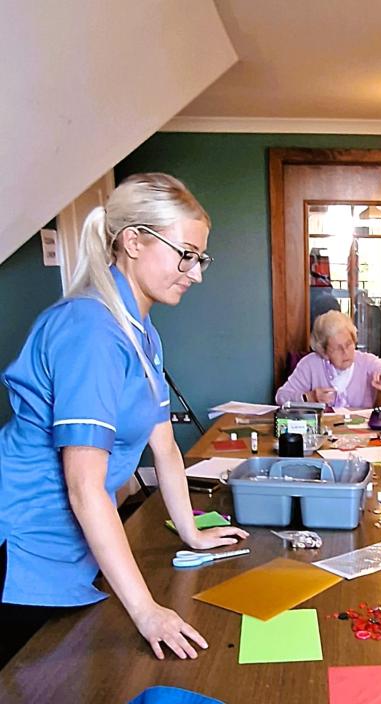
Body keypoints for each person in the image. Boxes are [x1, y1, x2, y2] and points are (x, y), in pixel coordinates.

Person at [0, 173, 248, 667]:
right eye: (186, 254)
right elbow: (84, 487)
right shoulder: (91, 329)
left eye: (200, 258)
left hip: (71, 553)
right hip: (22, 551)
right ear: (133, 240)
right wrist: (147, 611)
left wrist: (192, 531)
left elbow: (167, 449)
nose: (195, 273)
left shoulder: (141, 331)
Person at [275, 309, 381, 409]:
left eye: (349, 344)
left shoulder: (367, 362)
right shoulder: (311, 363)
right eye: (337, 348)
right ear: (324, 351)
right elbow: (281, 397)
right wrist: (308, 397)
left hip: (361, 438)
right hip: (322, 436)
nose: (346, 352)